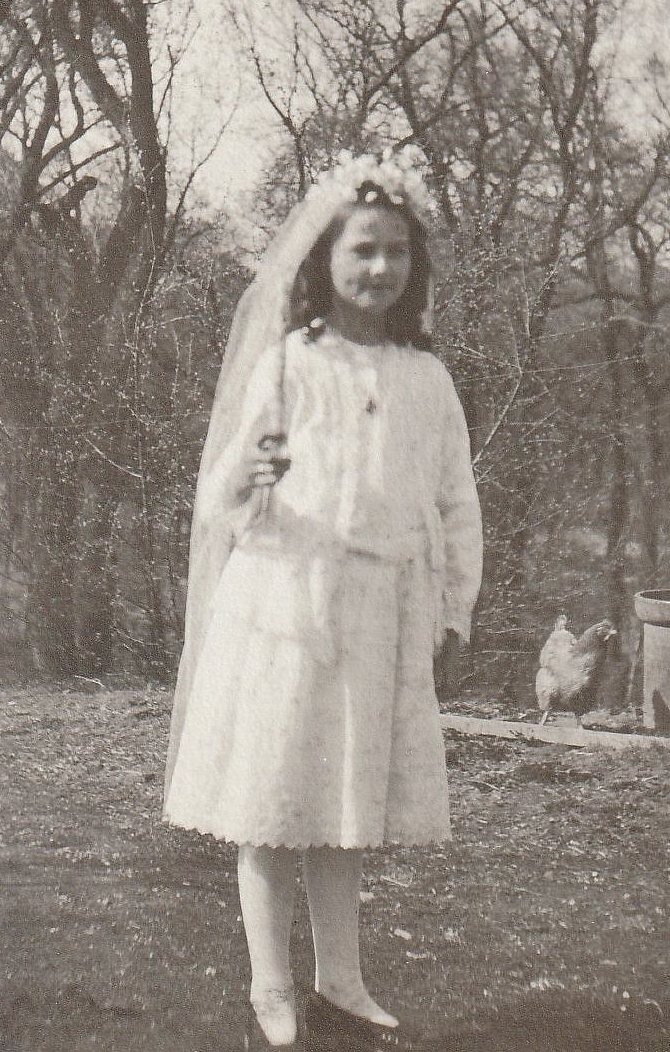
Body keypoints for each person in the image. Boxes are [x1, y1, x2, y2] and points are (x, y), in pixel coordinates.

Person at [162, 150, 483, 1051]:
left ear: (412, 268)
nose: (378, 269)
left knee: (346, 808)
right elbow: (218, 493)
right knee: (271, 799)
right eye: (361, 252)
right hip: (285, 605)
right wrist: (251, 473)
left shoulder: (428, 380)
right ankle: (271, 982)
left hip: (382, 610)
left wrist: (456, 608)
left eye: (394, 253)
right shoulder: (290, 363)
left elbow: (457, 502)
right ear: (325, 263)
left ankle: (339, 974)